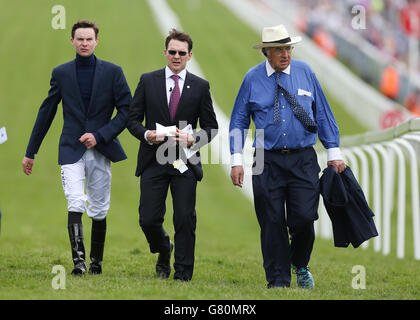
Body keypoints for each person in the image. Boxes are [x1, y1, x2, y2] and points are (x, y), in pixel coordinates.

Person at [229, 24, 346, 289]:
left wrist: (333, 151)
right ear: (266, 53)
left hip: (303, 157)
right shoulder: (252, 78)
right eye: (279, 49)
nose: (285, 54)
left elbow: (323, 113)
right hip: (264, 158)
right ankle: (278, 281)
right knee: (271, 222)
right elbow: (238, 120)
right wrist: (236, 159)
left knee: (305, 218)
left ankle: (299, 262)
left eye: (288, 48)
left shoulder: (305, 72)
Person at [22, 20, 132, 275]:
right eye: (79, 39)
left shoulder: (113, 72)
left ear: (96, 41)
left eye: (88, 39)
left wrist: (100, 135)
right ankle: (79, 263)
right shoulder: (61, 73)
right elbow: (46, 112)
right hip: (71, 148)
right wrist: (31, 151)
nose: (84, 43)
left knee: (99, 207)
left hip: (101, 149)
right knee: (74, 200)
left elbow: (127, 110)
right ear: (71, 41)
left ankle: (96, 263)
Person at [127, 29, 218, 282]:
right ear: (165, 53)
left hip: (184, 162)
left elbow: (211, 127)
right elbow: (132, 119)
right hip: (153, 159)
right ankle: (164, 247)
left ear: (190, 56)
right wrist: (147, 135)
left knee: (184, 218)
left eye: (182, 53)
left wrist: (195, 138)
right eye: (172, 52)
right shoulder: (148, 81)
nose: (176, 57)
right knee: (148, 218)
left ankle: (183, 274)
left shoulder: (200, 86)